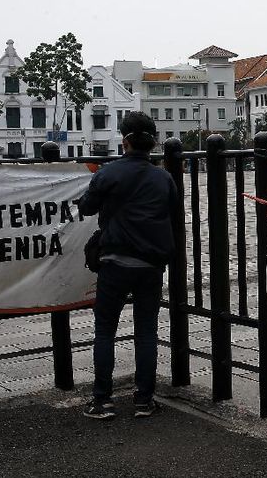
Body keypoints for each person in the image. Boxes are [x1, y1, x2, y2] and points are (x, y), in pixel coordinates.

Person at [79, 111, 178, 419]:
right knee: (147, 330)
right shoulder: (164, 178)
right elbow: (173, 215)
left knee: (105, 329)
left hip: (115, 262)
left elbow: (86, 208)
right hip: (150, 264)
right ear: (153, 145)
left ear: (124, 142)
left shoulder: (109, 173)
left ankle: (102, 401)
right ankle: (144, 400)